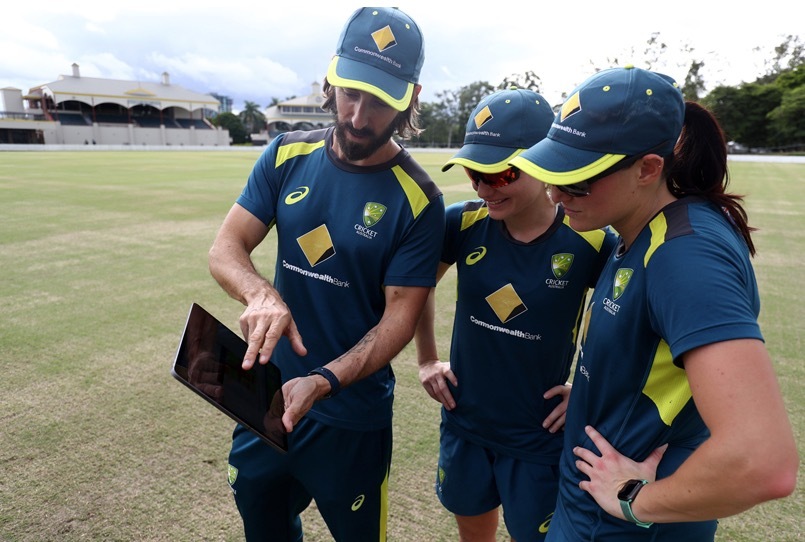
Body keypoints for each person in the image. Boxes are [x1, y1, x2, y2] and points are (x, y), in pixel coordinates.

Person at [509, 65, 799, 541]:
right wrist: (594, 393)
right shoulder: (642, 228)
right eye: (553, 174)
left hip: (619, 528)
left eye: (578, 181)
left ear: (647, 169)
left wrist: (634, 500)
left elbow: (763, 461)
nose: (557, 196)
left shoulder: (685, 256)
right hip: (589, 513)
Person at [207, 7, 445, 541]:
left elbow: (399, 319)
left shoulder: (419, 200)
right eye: (350, 92)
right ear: (331, 79)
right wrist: (259, 293)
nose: (359, 117)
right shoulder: (287, 154)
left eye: (380, 100)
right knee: (264, 528)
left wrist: (325, 379)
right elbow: (226, 247)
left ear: (410, 97)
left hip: (351, 416)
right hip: (267, 399)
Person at [415, 87, 617, 541]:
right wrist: (427, 359)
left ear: (541, 163)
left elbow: (620, 322)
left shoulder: (590, 239)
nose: (484, 188)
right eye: (473, 172)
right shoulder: (461, 223)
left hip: (538, 435)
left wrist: (585, 387)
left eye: (500, 175)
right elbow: (416, 289)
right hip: (465, 421)